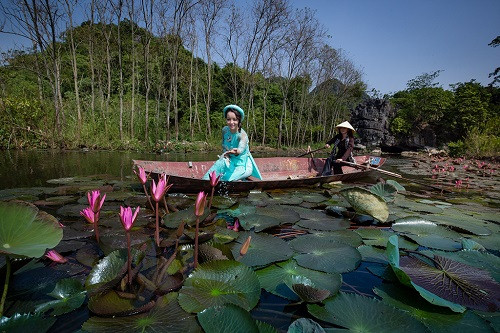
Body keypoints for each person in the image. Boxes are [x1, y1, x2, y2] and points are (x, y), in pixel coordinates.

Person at [202, 105, 262, 181]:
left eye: (234, 119)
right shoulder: (225, 130)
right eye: (228, 119)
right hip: (230, 161)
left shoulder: (242, 135)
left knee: (226, 178)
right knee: (218, 164)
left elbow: (241, 148)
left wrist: (236, 151)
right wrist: (226, 155)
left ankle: (241, 180)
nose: (231, 122)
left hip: (242, 165)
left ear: (239, 120)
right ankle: (204, 181)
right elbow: (224, 146)